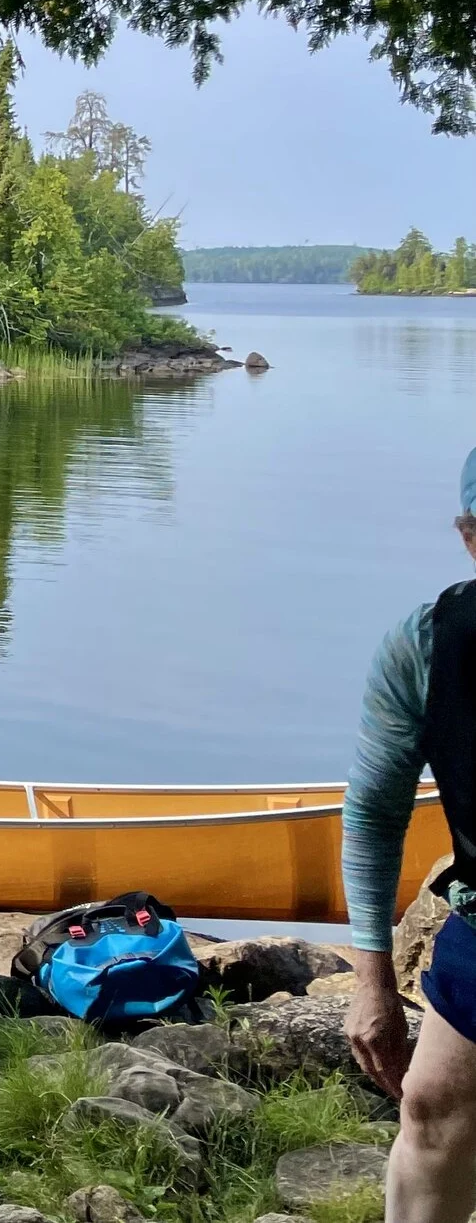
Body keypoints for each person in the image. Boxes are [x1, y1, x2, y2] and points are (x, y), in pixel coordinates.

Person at [345, 446, 476, 1223]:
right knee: (429, 1109)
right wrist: (371, 982)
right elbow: (372, 812)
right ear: (470, 536)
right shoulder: (427, 646)